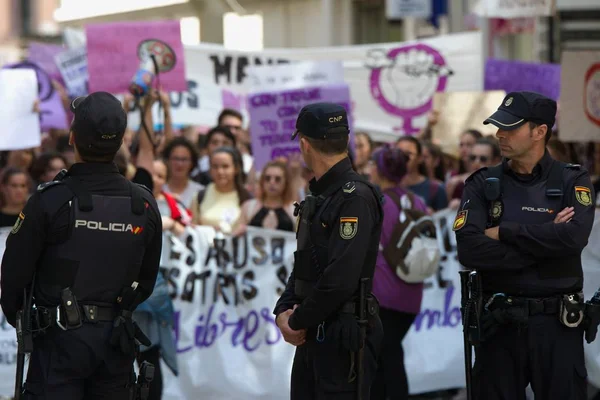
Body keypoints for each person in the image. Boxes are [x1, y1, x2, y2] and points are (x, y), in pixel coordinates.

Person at [0, 91, 163, 399]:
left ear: (73, 137)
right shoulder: (142, 203)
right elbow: (146, 280)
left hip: (58, 343)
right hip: (115, 341)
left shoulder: (50, 201)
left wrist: (29, 321)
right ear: (120, 142)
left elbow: (14, 277)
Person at [455, 91, 595, 400]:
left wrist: (504, 231)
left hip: (557, 327)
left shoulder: (573, 180)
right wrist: (547, 240)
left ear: (539, 132)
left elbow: (573, 239)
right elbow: (469, 250)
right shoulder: (481, 184)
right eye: (498, 126)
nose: (500, 134)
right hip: (499, 324)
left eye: (510, 127)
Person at [274, 102, 384, 400]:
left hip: (340, 337)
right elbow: (304, 262)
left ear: (305, 144)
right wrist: (283, 310)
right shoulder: (321, 194)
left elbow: (340, 279)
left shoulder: (354, 197)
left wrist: (295, 321)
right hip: (314, 329)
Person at [367, 145, 428, 400]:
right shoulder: (418, 201)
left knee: (384, 359)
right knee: (388, 354)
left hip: (382, 293)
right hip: (411, 294)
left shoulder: (377, 202)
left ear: (379, 170)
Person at [235, 160, 295, 233]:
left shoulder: (295, 210)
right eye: (267, 178)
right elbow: (236, 235)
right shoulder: (248, 207)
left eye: (277, 179)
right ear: (262, 182)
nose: (272, 182)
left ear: (286, 183)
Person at [396, 136, 448, 213]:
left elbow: (444, 221)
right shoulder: (385, 185)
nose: (402, 157)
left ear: (419, 158)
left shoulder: (436, 189)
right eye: (398, 153)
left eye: (408, 154)